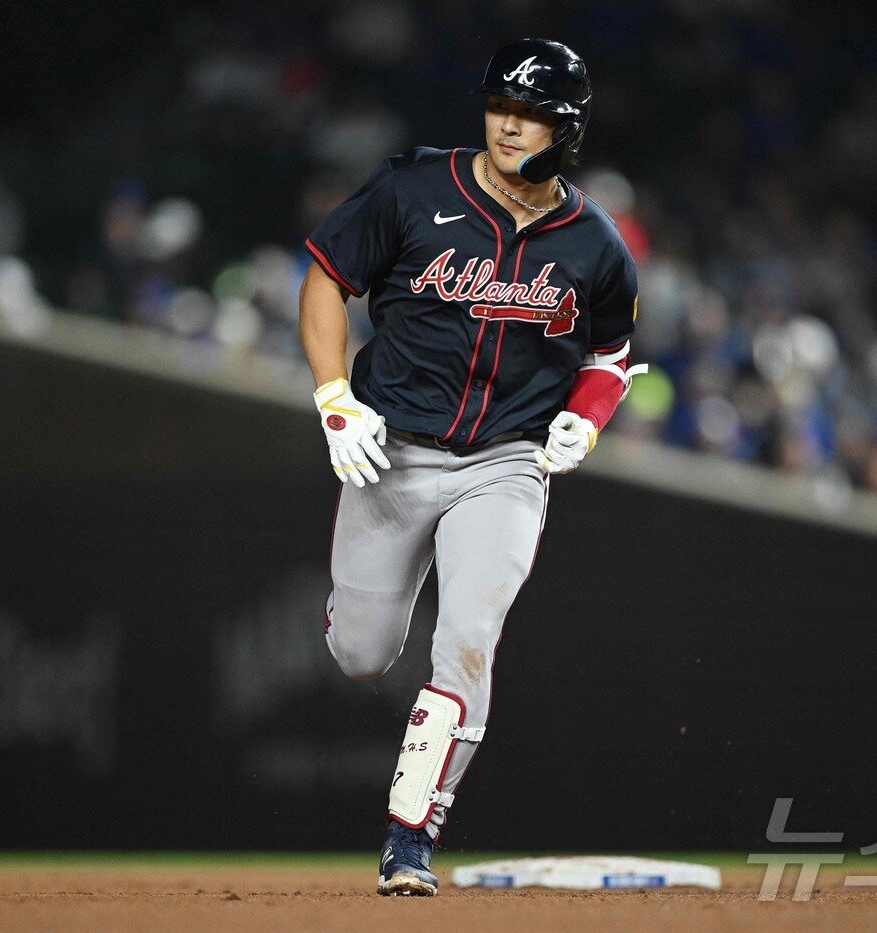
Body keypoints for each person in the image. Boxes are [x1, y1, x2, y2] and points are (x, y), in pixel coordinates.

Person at [298, 38, 643, 897]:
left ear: (567, 130)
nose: (508, 126)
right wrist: (334, 396)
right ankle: (357, 614)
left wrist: (587, 420)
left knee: (467, 640)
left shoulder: (596, 243)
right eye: (499, 108)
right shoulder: (415, 186)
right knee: (363, 654)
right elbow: (325, 276)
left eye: (529, 115)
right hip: (391, 452)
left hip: (507, 464)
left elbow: (610, 350)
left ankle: (409, 833)